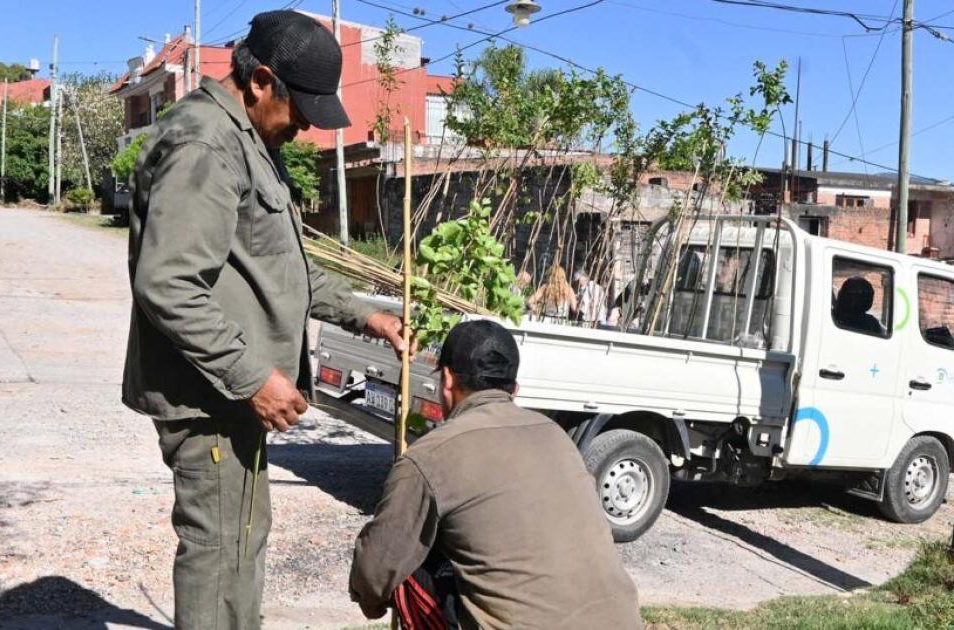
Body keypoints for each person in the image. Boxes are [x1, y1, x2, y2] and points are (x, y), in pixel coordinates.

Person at [123, 11, 408, 628]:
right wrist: (253, 375)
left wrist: (367, 316)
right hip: (212, 398)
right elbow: (166, 283)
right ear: (261, 82)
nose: (306, 125)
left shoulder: (251, 140)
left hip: (231, 398)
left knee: (240, 545)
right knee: (218, 552)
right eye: (301, 108)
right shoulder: (206, 143)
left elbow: (278, 269)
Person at [349, 320, 642, 630]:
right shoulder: (556, 436)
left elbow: (374, 571)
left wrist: (372, 602)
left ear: (446, 380)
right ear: (514, 390)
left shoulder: (431, 455)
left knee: (410, 565)